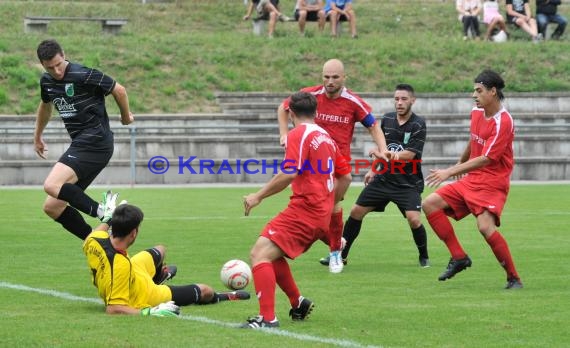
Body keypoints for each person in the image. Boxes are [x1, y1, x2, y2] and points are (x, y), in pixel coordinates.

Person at [277, 59, 389, 274]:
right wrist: (284, 133)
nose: (330, 81)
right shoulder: (310, 96)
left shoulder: (353, 102)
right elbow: (283, 108)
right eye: (326, 77)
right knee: (316, 212)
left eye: (335, 77)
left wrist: (382, 149)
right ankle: (337, 243)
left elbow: (373, 126)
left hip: (336, 164)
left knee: (331, 208)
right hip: (310, 165)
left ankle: (336, 253)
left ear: (344, 78)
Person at [241, 92, 340, 329]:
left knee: (258, 255)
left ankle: (267, 318)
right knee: (270, 252)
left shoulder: (299, 134)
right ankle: (298, 302)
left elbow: (289, 172)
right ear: (315, 111)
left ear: (291, 113)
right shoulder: (327, 137)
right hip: (319, 212)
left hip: (305, 210)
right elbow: (342, 177)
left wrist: (258, 196)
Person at [422, 69, 523, 290]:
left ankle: (513, 278)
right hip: (472, 178)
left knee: (485, 227)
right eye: (474, 90)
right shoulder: (477, 112)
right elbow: (473, 140)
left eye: (479, 91)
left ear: (493, 92)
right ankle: (459, 257)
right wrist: (459, 165)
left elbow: (487, 159)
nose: (473, 95)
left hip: (493, 182)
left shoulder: (503, 122)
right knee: (429, 204)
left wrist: (450, 171)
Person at [319, 84, 430, 268]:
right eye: (396, 99)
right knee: (356, 212)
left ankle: (423, 256)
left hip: (407, 183)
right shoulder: (387, 119)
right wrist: (373, 170)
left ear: (412, 100)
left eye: (403, 99)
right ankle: (340, 255)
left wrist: (384, 155)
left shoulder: (418, 124)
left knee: (414, 219)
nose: (399, 103)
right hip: (383, 179)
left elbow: (409, 155)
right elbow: (381, 146)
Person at [34, 39, 134, 241]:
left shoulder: (84, 74)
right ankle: (96, 242)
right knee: (53, 207)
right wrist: (38, 136)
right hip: (83, 144)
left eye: (59, 65)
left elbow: (119, 89)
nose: (57, 71)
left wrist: (125, 116)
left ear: (64, 55)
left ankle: (105, 213)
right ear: (43, 65)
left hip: (96, 140)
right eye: (50, 68)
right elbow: (46, 106)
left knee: (51, 185)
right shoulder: (47, 81)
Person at [83, 200, 250, 316]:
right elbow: (114, 309)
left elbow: (98, 231)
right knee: (205, 290)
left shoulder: (95, 240)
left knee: (160, 250)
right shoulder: (120, 266)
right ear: (134, 233)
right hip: (145, 293)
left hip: (134, 269)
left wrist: (108, 217)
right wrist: (150, 312)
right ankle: (222, 296)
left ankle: (158, 276)